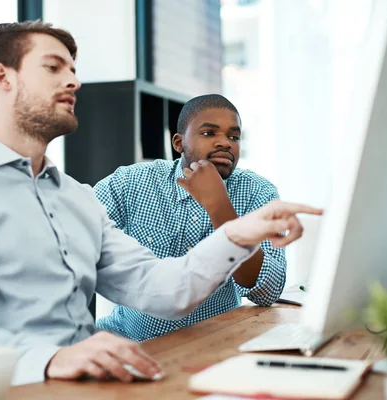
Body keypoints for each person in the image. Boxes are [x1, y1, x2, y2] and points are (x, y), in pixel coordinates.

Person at [0, 21, 322, 398]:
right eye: (54, 67)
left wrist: (238, 233)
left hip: (94, 384)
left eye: (74, 70)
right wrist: (51, 360)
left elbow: (161, 289)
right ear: (2, 78)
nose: (74, 81)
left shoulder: (77, 199)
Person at [94, 94, 288, 341]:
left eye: (233, 136)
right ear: (178, 143)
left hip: (217, 344)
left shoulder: (258, 192)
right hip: (131, 343)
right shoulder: (130, 183)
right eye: (209, 133)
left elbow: (267, 292)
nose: (225, 143)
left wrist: (219, 206)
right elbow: (73, 237)